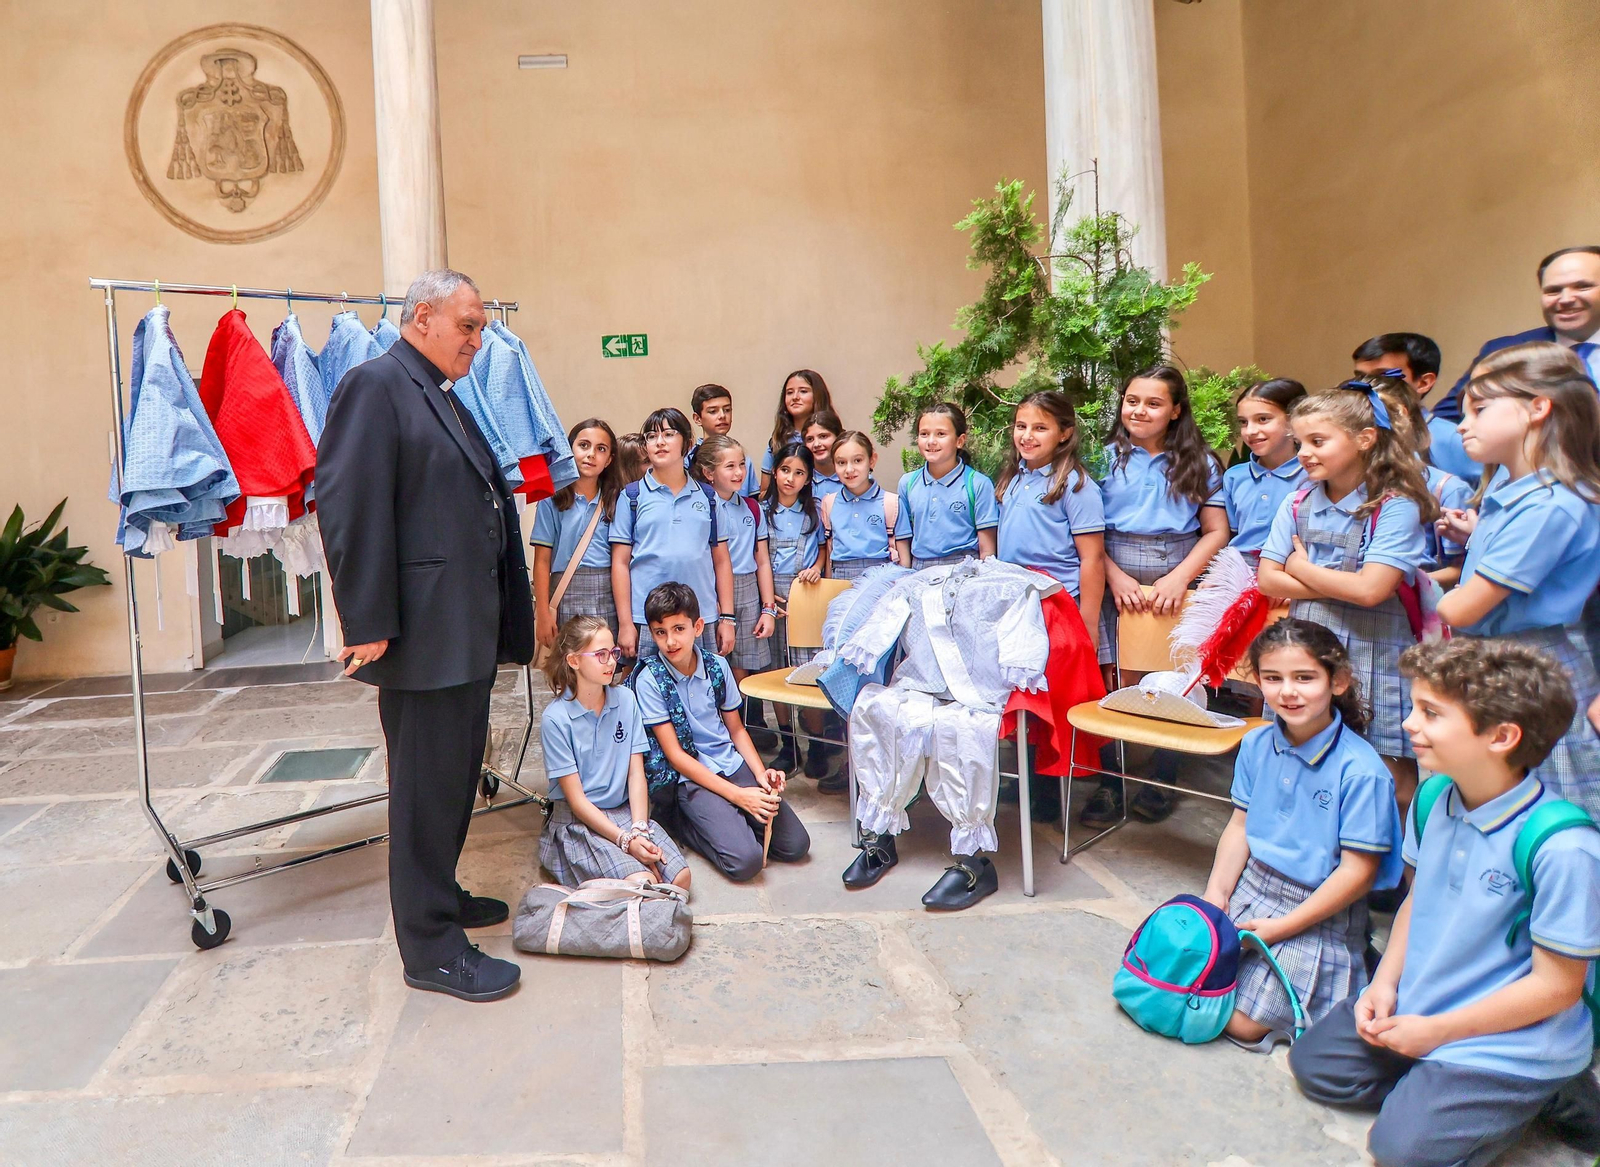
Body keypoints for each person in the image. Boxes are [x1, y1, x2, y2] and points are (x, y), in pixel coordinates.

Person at [1289, 637, 1600, 1167]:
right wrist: (1384, 985)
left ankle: (1543, 1087)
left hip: (1508, 1039)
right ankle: (1442, 1085)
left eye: (1430, 713)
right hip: (1426, 1003)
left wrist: (1437, 1033)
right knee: (1316, 1067)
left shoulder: (1565, 847)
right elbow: (1417, 899)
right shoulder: (1434, 796)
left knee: (1400, 1151)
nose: (1409, 724)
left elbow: (1557, 987)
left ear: (1502, 736)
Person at [318, 268, 532, 1002]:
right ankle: (431, 948)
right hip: (423, 638)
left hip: (460, 632)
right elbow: (348, 503)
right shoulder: (376, 385)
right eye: (467, 326)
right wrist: (368, 619)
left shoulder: (437, 390)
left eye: (480, 328)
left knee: (452, 780)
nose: (477, 340)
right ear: (421, 318)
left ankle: (439, 893)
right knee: (422, 792)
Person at [1201, 619, 1402, 1051]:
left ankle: (1354, 962)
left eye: (1305, 678)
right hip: (1253, 886)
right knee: (1186, 976)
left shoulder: (1363, 772)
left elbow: (1358, 873)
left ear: (1338, 682)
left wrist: (1281, 928)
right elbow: (1239, 826)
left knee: (1241, 1023)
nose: (1288, 692)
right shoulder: (1255, 744)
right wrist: (1216, 895)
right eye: (1273, 678)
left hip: (1319, 907)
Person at [1435, 344, 1600, 818]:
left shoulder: (1551, 504)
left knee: (1543, 810)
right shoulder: (1510, 488)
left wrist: (1435, 592)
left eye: (1480, 409)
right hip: (1500, 660)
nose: (1462, 424)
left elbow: (1460, 609)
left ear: (1538, 408)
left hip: (1531, 669)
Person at [1258, 381, 1434, 813]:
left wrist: (1301, 569)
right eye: (1299, 442)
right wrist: (1346, 584)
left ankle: (1386, 852)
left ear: (1365, 439)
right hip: (1306, 650)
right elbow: (1267, 580)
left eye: (1318, 441)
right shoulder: (1297, 501)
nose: (1304, 453)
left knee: (1390, 776)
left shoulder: (1395, 506)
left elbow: (1373, 591)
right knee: (1305, 759)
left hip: (1376, 650)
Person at [1084, 365, 1229, 828]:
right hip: (1113, 565)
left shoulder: (1200, 462)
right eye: (1132, 401)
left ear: (1176, 411)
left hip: (1178, 566)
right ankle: (1110, 782)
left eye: (1153, 403)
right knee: (1113, 673)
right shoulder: (1101, 459)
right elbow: (1084, 532)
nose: (1139, 410)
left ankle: (1163, 777)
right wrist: (1114, 577)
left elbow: (1216, 531)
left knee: (1174, 675)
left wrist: (1180, 578)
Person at [636, 582, 811, 881]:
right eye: (660, 632)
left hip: (729, 763)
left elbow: (737, 730)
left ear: (697, 627)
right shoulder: (649, 679)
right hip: (690, 776)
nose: (670, 641)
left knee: (795, 845)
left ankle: (727, 819)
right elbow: (675, 756)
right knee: (746, 862)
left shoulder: (717, 666)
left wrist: (760, 774)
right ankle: (684, 822)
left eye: (679, 629)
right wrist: (738, 797)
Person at [539, 616, 691, 891]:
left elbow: (636, 774)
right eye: (601, 655)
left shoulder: (626, 699)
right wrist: (625, 841)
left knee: (681, 879)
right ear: (573, 661)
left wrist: (639, 828)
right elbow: (577, 801)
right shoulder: (555, 719)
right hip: (579, 820)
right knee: (641, 885)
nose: (611, 662)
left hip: (624, 811)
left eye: (614, 653)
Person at [609, 407, 735, 661]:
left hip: (700, 617)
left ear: (687, 443)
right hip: (648, 619)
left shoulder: (708, 497)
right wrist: (625, 623)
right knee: (649, 684)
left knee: (703, 682)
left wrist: (727, 618)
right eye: (651, 436)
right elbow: (620, 563)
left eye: (668, 434)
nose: (660, 442)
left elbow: (721, 560)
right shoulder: (632, 496)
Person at [1431, 246, 1600, 425]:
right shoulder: (1504, 351)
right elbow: (1443, 422)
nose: (1565, 299)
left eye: (1582, 287)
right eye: (1553, 290)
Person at [994, 390, 1106, 649]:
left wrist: (1088, 623)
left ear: (1064, 433)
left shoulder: (1076, 486)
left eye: (1040, 428)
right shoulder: (1012, 478)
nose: (1027, 436)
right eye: (1021, 426)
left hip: (1057, 601)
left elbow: (1093, 558)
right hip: (1014, 598)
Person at [693, 435, 777, 744]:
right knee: (715, 663)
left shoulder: (753, 508)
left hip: (748, 589)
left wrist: (768, 608)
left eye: (742, 464)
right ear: (709, 472)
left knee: (745, 665)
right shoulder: (701, 506)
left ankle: (745, 730)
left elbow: (762, 560)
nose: (739, 472)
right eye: (730, 466)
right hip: (712, 591)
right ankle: (719, 733)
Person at [762, 442, 837, 782]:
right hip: (773, 596)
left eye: (799, 473)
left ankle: (817, 745)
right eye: (784, 470)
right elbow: (759, 557)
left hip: (806, 593)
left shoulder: (815, 511)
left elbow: (823, 549)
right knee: (778, 668)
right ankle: (788, 743)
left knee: (807, 668)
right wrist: (767, 599)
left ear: (808, 479)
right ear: (775, 471)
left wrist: (817, 569)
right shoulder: (761, 511)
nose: (790, 478)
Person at [532, 418, 622, 648]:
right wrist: (542, 613)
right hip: (564, 592)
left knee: (605, 660)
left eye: (601, 449)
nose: (591, 454)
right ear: (570, 449)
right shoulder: (551, 499)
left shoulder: (617, 500)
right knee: (569, 662)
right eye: (583, 445)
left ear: (609, 459)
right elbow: (542, 561)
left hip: (608, 592)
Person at [1352, 333, 1475, 480]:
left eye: (1383, 376)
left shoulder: (1455, 440)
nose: (1366, 384)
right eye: (1360, 377)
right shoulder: (1344, 432)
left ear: (1423, 383)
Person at [893, 402, 999, 569]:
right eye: (924, 434)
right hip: (919, 569)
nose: (931, 441)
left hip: (964, 569)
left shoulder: (977, 484)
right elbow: (903, 539)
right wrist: (904, 574)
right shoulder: (908, 483)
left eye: (941, 434)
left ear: (960, 441)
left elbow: (987, 551)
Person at [1223, 378, 1308, 561]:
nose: (1250, 431)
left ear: (1292, 421)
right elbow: (1231, 533)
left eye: (1262, 419)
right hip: (1239, 566)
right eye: (1243, 422)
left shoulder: (1313, 476)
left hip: (1292, 566)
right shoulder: (1234, 477)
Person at [823, 430, 899, 579]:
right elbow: (829, 550)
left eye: (857, 460)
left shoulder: (891, 502)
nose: (849, 469)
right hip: (840, 577)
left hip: (879, 576)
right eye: (841, 463)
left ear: (872, 460)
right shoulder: (829, 503)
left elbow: (903, 555)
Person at [760, 368, 834, 490]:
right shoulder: (777, 441)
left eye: (803, 391)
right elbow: (765, 491)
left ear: (818, 395)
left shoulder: (836, 438)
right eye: (789, 392)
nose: (795, 397)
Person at [688, 383, 758, 497]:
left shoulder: (742, 459)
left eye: (727, 410)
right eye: (713, 411)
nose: (722, 416)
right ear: (697, 418)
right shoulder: (689, 459)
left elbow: (753, 499)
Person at [802, 408, 846, 498]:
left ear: (839, 437)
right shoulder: (801, 480)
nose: (816, 444)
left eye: (823, 436)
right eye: (810, 439)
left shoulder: (854, 476)